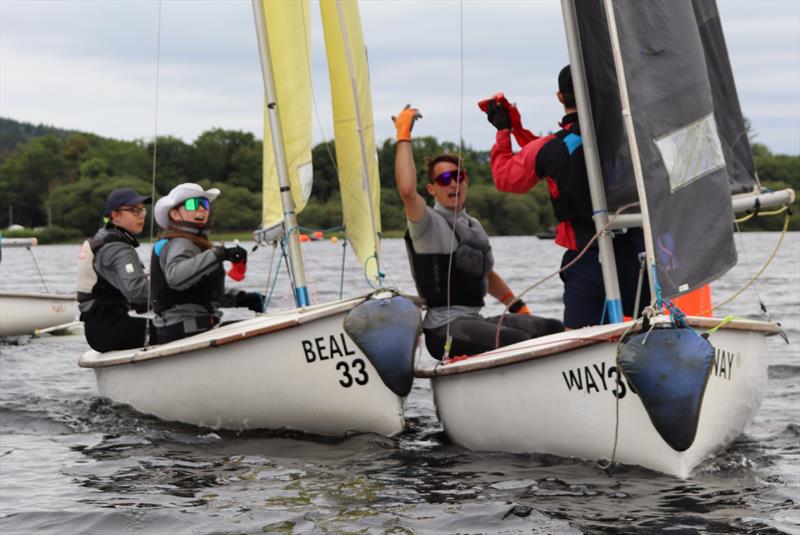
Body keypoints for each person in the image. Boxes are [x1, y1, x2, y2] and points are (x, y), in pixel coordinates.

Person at [483, 65, 650, 329]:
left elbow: (507, 178)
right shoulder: (630, 135)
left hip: (586, 257)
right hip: (637, 252)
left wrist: (504, 131)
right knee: (652, 325)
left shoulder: (551, 148)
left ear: (560, 97)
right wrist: (517, 128)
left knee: (580, 339)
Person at [393, 105, 563, 360]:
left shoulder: (473, 224)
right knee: (518, 342)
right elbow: (407, 190)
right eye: (444, 179)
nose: (453, 182)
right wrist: (403, 136)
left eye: (459, 176)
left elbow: (485, 273)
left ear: (466, 181)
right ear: (431, 188)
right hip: (442, 330)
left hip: (473, 320)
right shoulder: (427, 223)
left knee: (551, 328)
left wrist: (518, 308)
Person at [150, 183, 265, 344]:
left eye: (205, 204)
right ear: (175, 214)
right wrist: (219, 254)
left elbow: (201, 292)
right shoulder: (181, 242)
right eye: (193, 204)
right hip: (185, 332)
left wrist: (242, 299)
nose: (202, 209)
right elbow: (176, 277)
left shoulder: (191, 242)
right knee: (259, 333)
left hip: (193, 329)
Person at [77, 187, 160, 352]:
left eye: (142, 211)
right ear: (115, 215)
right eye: (134, 211)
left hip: (99, 329)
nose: (141, 216)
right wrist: (171, 290)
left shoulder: (102, 239)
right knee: (174, 329)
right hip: (109, 329)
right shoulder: (118, 248)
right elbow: (137, 291)